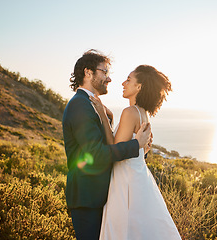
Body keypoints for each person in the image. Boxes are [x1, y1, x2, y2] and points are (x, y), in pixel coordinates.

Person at [62, 50, 152, 240]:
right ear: (88, 73)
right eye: (105, 72)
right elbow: (95, 154)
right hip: (88, 199)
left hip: (101, 197)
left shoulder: (92, 104)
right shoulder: (80, 105)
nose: (109, 79)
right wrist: (136, 145)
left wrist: (140, 147)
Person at [90, 65, 182, 240]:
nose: (123, 83)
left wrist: (102, 115)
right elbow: (132, 145)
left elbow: (114, 148)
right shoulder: (143, 114)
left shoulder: (130, 112)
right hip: (138, 177)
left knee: (125, 230)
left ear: (139, 87)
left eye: (129, 80)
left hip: (126, 180)